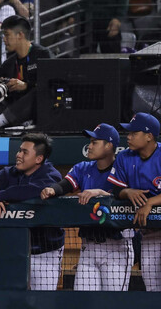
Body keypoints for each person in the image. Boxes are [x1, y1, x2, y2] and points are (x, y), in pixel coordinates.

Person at [41, 124, 134, 291]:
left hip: (116, 246)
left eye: (94, 142)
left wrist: (100, 193)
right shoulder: (83, 168)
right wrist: (52, 190)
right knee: (84, 303)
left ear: (109, 145)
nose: (89, 146)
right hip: (88, 246)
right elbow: (66, 184)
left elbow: (128, 198)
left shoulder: (124, 168)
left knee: (112, 306)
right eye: (90, 142)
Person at [0, 133, 64, 290]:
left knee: (41, 304)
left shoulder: (51, 175)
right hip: (11, 246)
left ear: (38, 159)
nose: (18, 155)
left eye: (24, 152)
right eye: (19, 150)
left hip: (43, 251)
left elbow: (33, 190)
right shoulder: (10, 172)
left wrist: (0, 194)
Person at [107, 112, 161, 292]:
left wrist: (150, 203)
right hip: (149, 231)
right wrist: (128, 191)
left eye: (134, 133)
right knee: (153, 286)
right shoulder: (124, 157)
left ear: (149, 136)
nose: (129, 136)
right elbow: (116, 190)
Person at [0, 15, 52, 132]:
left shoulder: (43, 55)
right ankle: (16, 124)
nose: (4, 39)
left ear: (20, 35)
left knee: (39, 90)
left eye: (7, 35)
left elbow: (52, 84)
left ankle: (1, 122)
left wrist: (26, 86)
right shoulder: (7, 64)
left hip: (37, 109)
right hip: (15, 108)